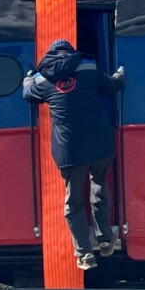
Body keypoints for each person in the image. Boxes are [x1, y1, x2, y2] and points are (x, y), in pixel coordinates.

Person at [23, 39, 126, 271]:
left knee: (74, 201)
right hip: (99, 142)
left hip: (69, 150)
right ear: (71, 53)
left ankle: (84, 254)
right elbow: (112, 86)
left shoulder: (43, 79)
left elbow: (28, 95)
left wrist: (28, 79)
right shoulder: (87, 67)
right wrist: (120, 75)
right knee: (99, 187)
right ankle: (105, 240)